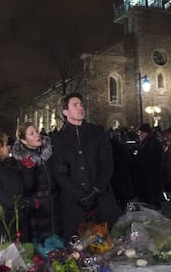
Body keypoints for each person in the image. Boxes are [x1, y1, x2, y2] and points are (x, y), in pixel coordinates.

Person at [49, 92, 120, 242]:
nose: (80, 107)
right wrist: (80, 195)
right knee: (78, 249)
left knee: (108, 246)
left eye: (81, 104)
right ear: (65, 112)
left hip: (101, 199)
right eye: (75, 105)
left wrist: (96, 191)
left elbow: (107, 164)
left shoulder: (97, 133)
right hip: (74, 204)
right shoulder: (58, 139)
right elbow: (60, 172)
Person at [11, 122, 61, 243]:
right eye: (31, 134)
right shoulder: (20, 160)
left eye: (37, 132)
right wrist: (29, 171)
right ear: (24, 140)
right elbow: (25, 188)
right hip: (37, 208)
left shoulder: (49, 153)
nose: (37, 135)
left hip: (55, 203)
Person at [132, 123, 164, 209]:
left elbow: (150, 160)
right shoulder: (147, 143)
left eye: (141, 132)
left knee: (150, 202)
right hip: (148, 179)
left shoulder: (152, 144)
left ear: (146, 133)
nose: (139, 135)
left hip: (149, 179)